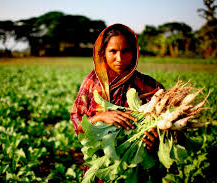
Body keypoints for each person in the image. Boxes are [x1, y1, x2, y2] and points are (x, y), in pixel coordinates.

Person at [70, 23, 165, 181]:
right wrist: (100, 118)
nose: (119, 58)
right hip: (100, 166)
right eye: (112, 51)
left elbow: (170, 127)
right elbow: (77, 122)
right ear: (103, 53)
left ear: (134, 53)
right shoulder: (91, 82)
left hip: (137, 167)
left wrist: (158, 139)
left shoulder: (150, 86)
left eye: (125, 51)